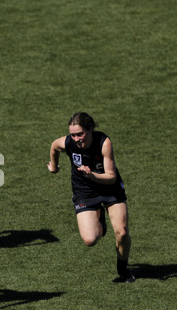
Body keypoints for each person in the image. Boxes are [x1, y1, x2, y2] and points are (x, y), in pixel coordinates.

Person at [47, 112, 134, 283]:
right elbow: (54, 146)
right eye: (73, 135)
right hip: (84, 190)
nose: (76, 138)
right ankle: (99, 217)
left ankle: (122, 268)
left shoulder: (104, 143)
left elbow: (111, 177)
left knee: (122, 232)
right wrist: (55, 166)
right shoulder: (68, 142)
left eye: (80, 134)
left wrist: (92, 175)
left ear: (90, 129)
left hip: (109, 188)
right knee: (90, 239)